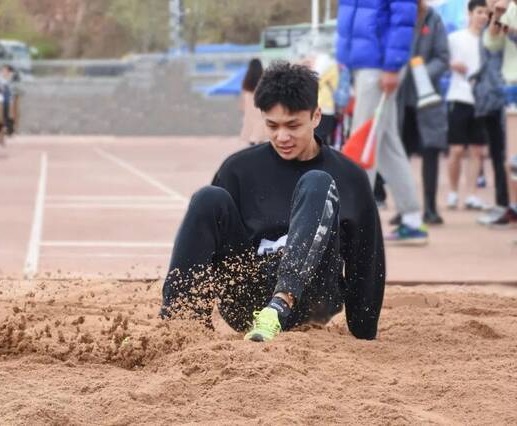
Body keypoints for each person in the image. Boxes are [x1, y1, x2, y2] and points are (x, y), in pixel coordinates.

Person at [161, 62, 385, 343]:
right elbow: (211, 243)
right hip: (248, 299)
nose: (282, 137)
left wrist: (365, 327)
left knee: (318, 181)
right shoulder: (238, 168)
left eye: (293, 126)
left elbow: (366, 258)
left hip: (310, 297)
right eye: (272, 125)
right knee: (208, 198)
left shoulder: (349, 176)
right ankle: (179, 325)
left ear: (316, 117)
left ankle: (279, 305)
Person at [337, 0, 428, 244]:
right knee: (385, 143)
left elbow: (402, 18)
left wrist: (392, 66)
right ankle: (411, 218)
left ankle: (355, 218)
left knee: (363, 138)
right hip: (365, 63)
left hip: (377, 65)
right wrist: (344, 58)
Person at [396, 0, 450, 225]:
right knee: (400, 156)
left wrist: (422, 73)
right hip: (401, 99)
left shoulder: (434, 20)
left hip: (428, 100)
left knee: (431, 153)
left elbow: (443, 58)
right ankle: (405, 209)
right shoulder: (398, 17)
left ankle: (430, 207)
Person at [446, 0, 490, 211]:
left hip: (482, 101)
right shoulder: (455, 38)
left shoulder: (490, 41)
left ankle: (471, 193)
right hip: (459, 97)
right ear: (470, 13)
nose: (483, 16)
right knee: (456, 150)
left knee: (477, 151)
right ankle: (454, 192)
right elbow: (443, 57)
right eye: (480, 12)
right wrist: (453, 64)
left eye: (486, 13)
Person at [480, 0, 517, 226]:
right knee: (512, 158)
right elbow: (491, 42)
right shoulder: (510, 10)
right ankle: (514, 207)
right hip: (511, 88)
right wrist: (498, 15)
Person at [239, 58, 268, 145]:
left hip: (249, 116)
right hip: (261, 115)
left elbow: (242, 104)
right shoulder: (264, 82)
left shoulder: (246, 82)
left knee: (251, 142)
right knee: (262, 142)